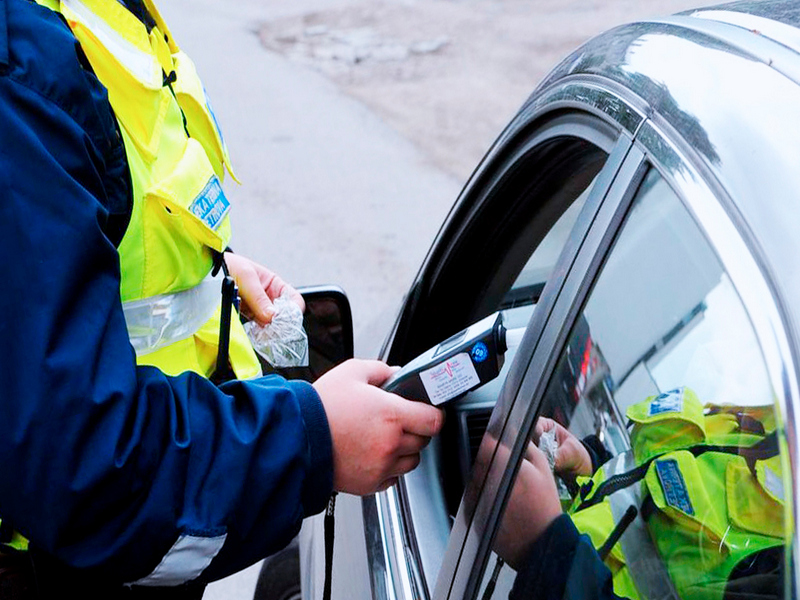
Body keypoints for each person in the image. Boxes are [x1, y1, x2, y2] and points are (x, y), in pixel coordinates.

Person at [0, 0, 444, 597]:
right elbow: (81, 467)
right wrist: (313, 439)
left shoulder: (94, 15)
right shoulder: (22, 66)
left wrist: (203, 275)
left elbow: (81, 222)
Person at [494, 390, 784, 600]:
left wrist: (550, 550)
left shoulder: (789, 577)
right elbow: (643, 498)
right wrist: (588, 466)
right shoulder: (772, 417)